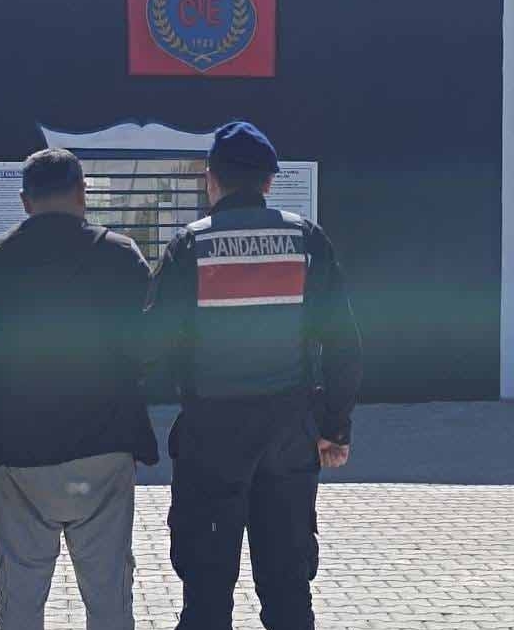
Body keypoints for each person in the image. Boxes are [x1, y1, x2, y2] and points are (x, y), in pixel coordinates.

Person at [144, 121, 363, 630]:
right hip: (288, 438)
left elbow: (150, 345)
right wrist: (334, 428)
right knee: (288, 595)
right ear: (269, 182)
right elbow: (344, 345)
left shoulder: (191, 245)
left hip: (211, 438)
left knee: (206, 598)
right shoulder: (306, 240)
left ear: (211, 179)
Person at [0, 148, 159, 630]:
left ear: (24, 200)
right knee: (109, 592)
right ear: (82, 193)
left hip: (18, 449)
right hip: (105, 446)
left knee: (20, 595)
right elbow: (147, 347)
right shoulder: (121, 254)